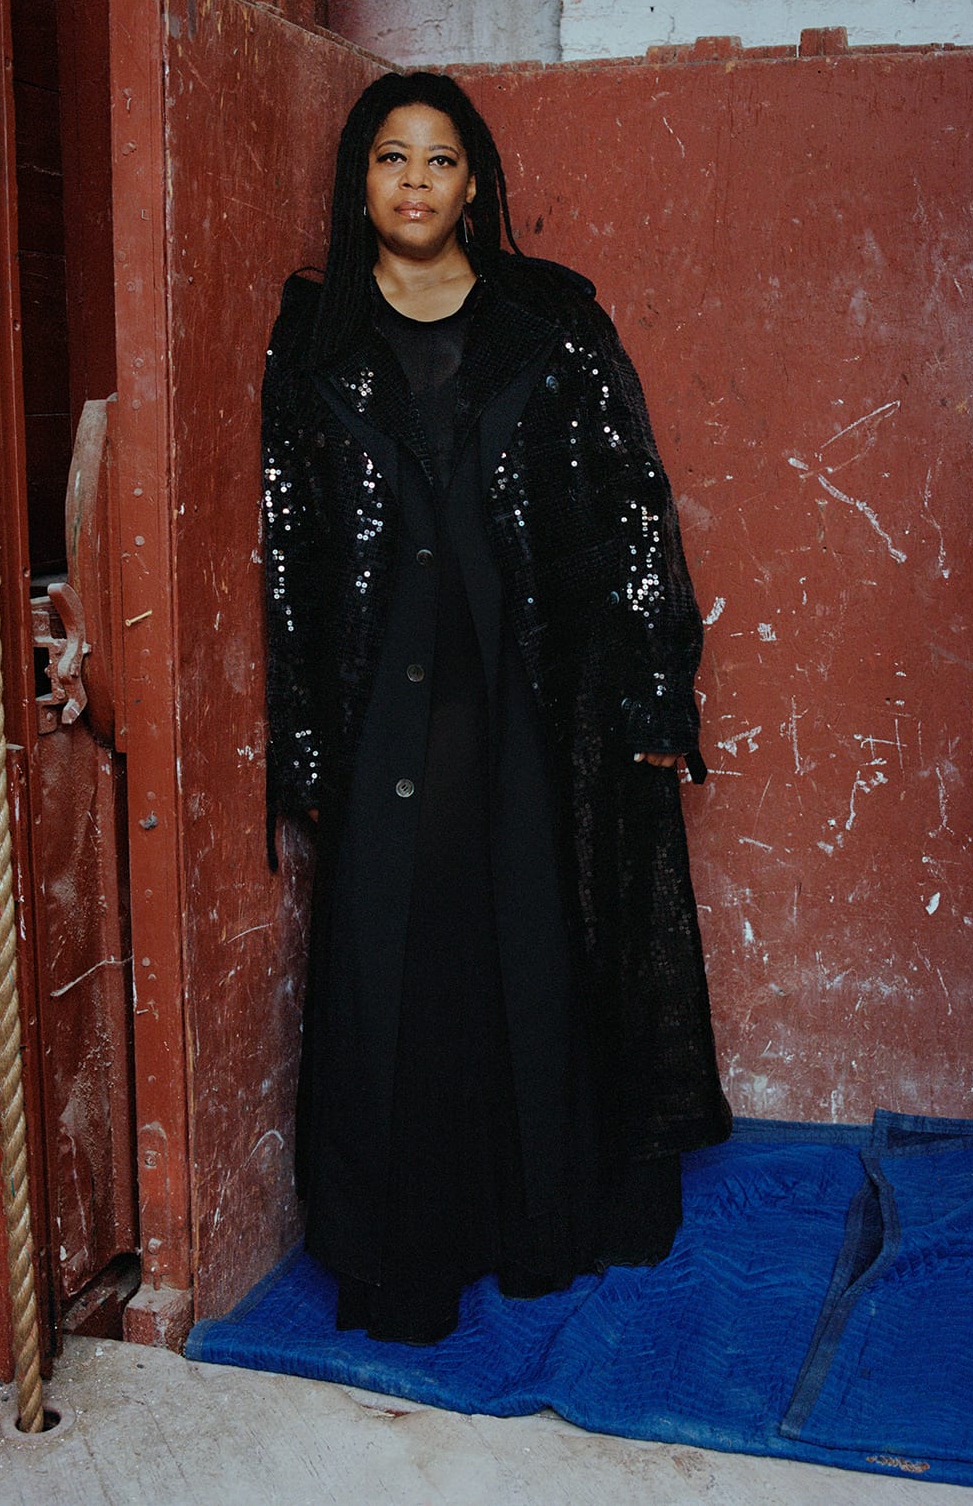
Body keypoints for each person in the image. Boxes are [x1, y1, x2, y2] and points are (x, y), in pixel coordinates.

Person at [262, 71, 730, 1345]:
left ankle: (541, 1218)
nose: (416, 181)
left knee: (532, 934)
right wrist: (300, 733)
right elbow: (288, 547)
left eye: (441, 160)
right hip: (384, 700)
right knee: (399, 961)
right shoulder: (313, 342)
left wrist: (650, 684)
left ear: (478, 185)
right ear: (359, 186)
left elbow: (637, 500)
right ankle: (406, 1242)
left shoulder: (552, 319)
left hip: (534, 687)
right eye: (391, 159)